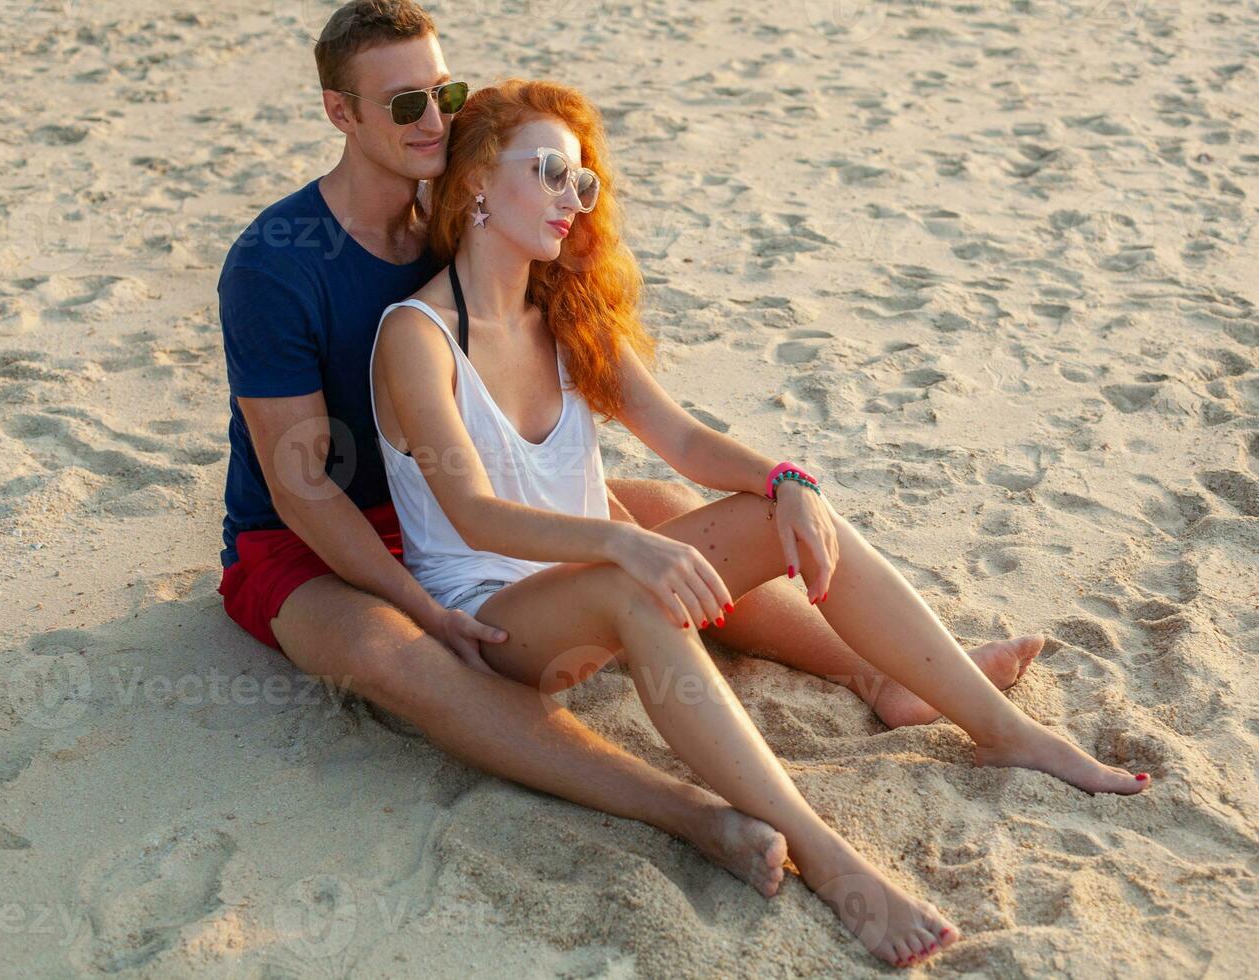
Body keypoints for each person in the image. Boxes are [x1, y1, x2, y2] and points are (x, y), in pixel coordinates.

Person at [216, 0, 1045, 925]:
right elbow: (300, 489)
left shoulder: (460, 225)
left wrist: (780, 476)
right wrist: (416, 602)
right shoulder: (277, 264)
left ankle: (874, 673)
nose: (439, 122)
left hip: (461, 498)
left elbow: (546, 377)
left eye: (446, 94)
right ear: (342, 115)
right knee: (400, 653)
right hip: (314, 536)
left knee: (651, 501)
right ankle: (685, 809)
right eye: (406, 106)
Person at [368, 77, 1153, 969]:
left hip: (604, 575)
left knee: (776, 515)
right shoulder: (418, 334)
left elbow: (685, 441)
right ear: (474, 182)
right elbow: (471, 508)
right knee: (635, 582)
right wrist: (627, 539)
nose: (568, 200)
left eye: (581, 184)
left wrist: (787, 479)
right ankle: (828, 856)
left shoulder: (564, 316)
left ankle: (999, 729)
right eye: (548, 172)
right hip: (498, 620)